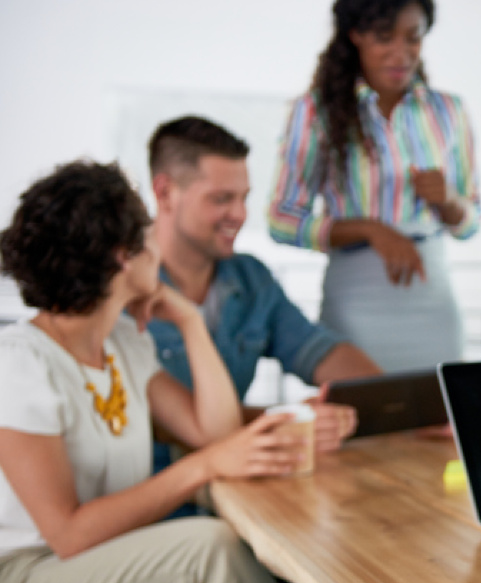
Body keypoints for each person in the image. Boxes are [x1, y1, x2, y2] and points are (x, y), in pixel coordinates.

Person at [0, 160, 325, 583]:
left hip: (98, 582)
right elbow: (67, 535)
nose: (159, 251)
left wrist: (192, 323)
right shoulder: (19, 361)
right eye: (148, 238)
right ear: (122, 257)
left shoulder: (124, 345)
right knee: (211, 546)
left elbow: (213, 433)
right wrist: (204, 465)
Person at [147, 115, 381, 470]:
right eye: (221, 199)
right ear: (165, 193)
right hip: (159, 495)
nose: (239, 215)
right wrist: (293, 421)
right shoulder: (122, 288)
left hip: (242, 483)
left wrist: (389, 397)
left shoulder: (250, 279)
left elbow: (318, 349)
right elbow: (164, 421)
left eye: (244, 198)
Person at [267, 0, 481, 372]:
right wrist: (371, 230)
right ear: (356, 35)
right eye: (384, 38)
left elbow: (471, 223)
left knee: (440, 420)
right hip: (356, 299)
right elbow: (281, 220)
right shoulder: (316, 111)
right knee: (362, 416)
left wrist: (449, 201)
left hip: (431, 298)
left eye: (413, 38)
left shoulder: (449, 111)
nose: (401, 53)